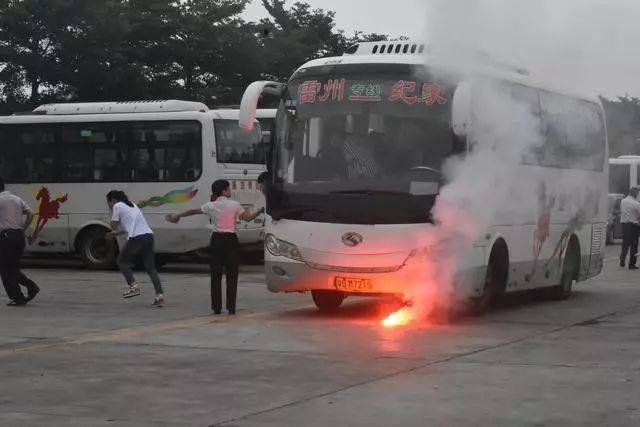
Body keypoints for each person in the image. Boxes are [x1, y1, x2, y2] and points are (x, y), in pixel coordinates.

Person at [166, 180, 264, 315]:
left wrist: (177, 215)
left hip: (217, 240)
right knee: (232, 274)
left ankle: (216, 307)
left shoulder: (210, 206)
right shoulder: (234, 205)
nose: (230, 191)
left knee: (216, 275)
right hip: (231, 241)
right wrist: (259, 211)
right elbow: (247, 218)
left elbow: (193, 211)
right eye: (228, 189)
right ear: (223, 191)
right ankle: (231, 307)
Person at [106, 190, 165, 307]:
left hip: (137, 238)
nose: (108, 205)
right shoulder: (132, 205)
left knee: (122, 261)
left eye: (108, 202)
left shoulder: (117, 206)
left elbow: (113, 225)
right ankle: (160, 295)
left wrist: (112, 219)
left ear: (113, 200)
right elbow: (129, 228)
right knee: (150, 267)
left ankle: (133, 286)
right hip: (148, 236)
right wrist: (116, 234)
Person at [0, 177, 40, 306]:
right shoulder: (16, 198)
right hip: (18, 236)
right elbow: (31, 214)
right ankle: (31, 287)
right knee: (12, 268)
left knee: (6, 270)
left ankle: (19, 297)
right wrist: (22, 228)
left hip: (6, 238)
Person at [619, 187, 640, 269]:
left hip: (624, 225)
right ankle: (631, 264)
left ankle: (622, 259)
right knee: (634, 246)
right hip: (633, 226)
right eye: (637, 193)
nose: (638, 195)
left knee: (625, 244)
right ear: (635, 193)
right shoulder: (636, 204)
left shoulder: (623, 201)